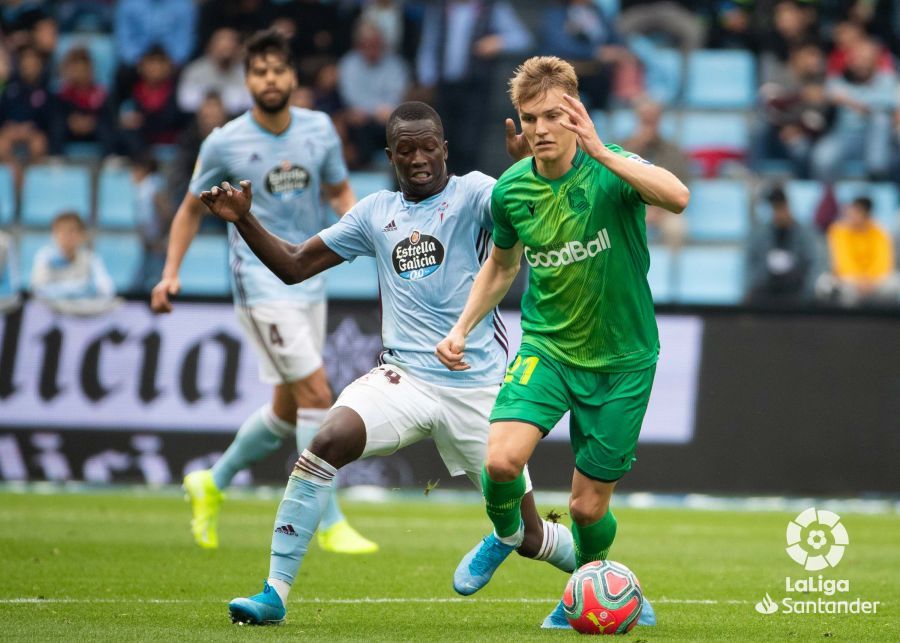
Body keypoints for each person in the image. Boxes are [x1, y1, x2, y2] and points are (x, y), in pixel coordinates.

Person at [200, 101, 577, 626]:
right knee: (324, 442)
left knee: (529, 534)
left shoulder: (478, 194)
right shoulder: (376, 213)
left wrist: (526, 171)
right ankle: (273, 594)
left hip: (478, 386)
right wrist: (244, 218)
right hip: (405, 378)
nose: (419, 158)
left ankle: (608, 584)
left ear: (445, 148)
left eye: (428, 147)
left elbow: (541, 215)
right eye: (406, 150)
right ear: (390, 156)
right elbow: (294, 266)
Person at [436, 56, 690, 629]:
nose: (541, 128)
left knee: (584, 507)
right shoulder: (512, 190)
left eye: (554, 114)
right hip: (547, 348)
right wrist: (461, 329)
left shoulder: (611, 168)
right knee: (501, 461)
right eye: (530, 117)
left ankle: (590, 585)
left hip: (623, 361)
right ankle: (508, 533)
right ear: (519, 121)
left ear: (577, 113)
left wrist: (604, 153)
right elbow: (501, 267)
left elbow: (678, 197)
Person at [150, 29, 375, 555]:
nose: (269, 79)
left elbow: (340, 190)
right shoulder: (225, 141)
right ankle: (329, 518)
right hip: (259, 285)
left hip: (309, 279)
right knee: (319, 395)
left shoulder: (319, 129)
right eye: (259, 71)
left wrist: (367, 233)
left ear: (292, 76)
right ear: (247, 80)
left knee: (288, 412)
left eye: (278, 70)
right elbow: (188, 209)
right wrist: (170, 272)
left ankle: (212, 481)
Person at [337, 20, 409, 168]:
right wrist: (374, 110)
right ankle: (362, 170)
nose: (372, 48)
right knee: (352, 123)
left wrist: (384, 111)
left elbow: (397, 94)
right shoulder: (348, 64)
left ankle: (398, 172)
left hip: (388, 117)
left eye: (375, 43)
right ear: (359, 45)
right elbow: (350, 96)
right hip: (359, 118)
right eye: (367, 44)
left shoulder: (396, 64)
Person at [31, 211, 120, 316]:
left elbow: (107, 289)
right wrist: (76, 289)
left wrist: (91, 289)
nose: (66, 237)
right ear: (54, 235)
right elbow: (38, 290)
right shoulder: (45, 257)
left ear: (82, 235)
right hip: (54, 312)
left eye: (72, 231)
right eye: (61, 231)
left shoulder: (90, 258)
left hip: (83, 312)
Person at [815, 196, 900, 306]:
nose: (850, 215)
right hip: (848, 280)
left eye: (856, 212)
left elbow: (883, 262)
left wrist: (869, 280)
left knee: (895, 282)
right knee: (824, 283)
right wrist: (858, 280)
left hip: (875, 282)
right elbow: (841, 262)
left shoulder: (880, 232)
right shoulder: (838, 230)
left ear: (866, 214)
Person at [745, 185, 818, 305]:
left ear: (788, 207)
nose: (778, 213)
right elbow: (750, 262)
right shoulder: (760, 233)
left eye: (781, 207)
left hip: (796, 288)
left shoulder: (804, 234)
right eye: (775, 208)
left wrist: (808, 290)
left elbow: (813, 262)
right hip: (767, 286)